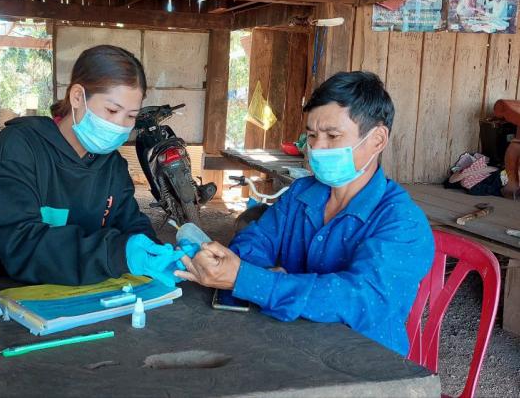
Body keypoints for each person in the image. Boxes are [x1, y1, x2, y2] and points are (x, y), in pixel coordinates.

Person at [176, 71, 434, 356]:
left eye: (332, 135)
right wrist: (257, 274)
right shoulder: (302, 194)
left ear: (377, 140)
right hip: (292, 343)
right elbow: (254, 241)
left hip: (364, 361)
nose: (317, 148)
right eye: (311, 135)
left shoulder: (403, 223)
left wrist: (253, 281)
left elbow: (359, 299)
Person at [0, 45, 185, 287]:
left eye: (130, 116)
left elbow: (130, 223)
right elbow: (20, 246)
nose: (120, 126)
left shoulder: (112, 165)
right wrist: (118, 253)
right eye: (112, 110)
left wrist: (154, 251)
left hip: (68, 291)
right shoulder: (17, 148)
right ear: (77, 97)